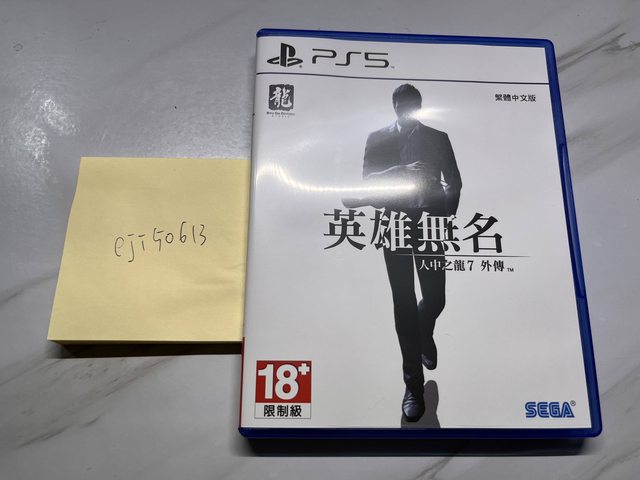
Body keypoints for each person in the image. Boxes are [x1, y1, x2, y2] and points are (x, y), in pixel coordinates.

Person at [350, 84, 462, 422]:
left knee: (436, 298)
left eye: (413, 105)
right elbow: (368, 181)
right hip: (393, 222)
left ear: (420, 106)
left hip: (431, 223)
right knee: (403, 302)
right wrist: (401, 171)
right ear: (395, 106)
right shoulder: (377, 138)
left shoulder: (438, 137)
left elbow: (454, 182)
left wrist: (445, 217)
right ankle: (413, 385)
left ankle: (424, 330)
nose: (407, 110)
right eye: (402, 105)